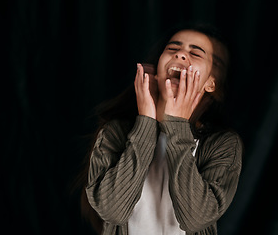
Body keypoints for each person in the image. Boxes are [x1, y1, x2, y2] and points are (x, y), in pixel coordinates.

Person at [80, 23, 243, 235]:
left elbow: (195, 219)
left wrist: (177, 125)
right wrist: (146, 121)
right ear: (157, 69)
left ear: (211, 83)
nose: (181, 55)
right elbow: (112, 212)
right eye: (173, 49)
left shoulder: (224, 145)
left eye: (196, 53)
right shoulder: (115, 132)